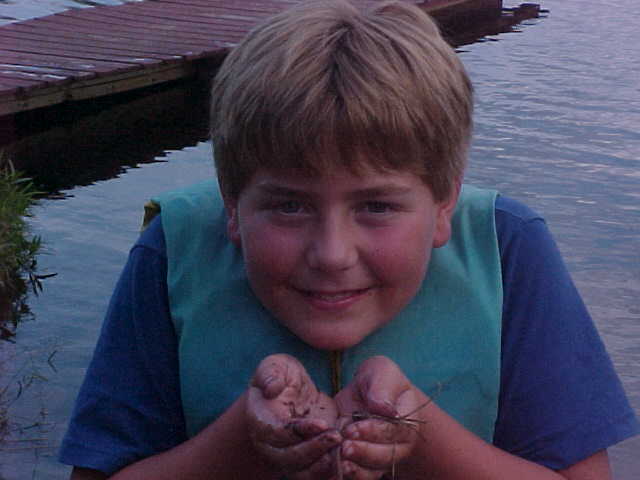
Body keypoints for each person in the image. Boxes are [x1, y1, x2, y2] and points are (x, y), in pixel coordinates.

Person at [59, 1, 639, 479]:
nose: (333, 255)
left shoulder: (508, 247)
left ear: (444, 204)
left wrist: (426, 441)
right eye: (289, 206)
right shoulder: (174, 250)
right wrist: (241, 441)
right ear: (232, 206)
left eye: (377, 206)